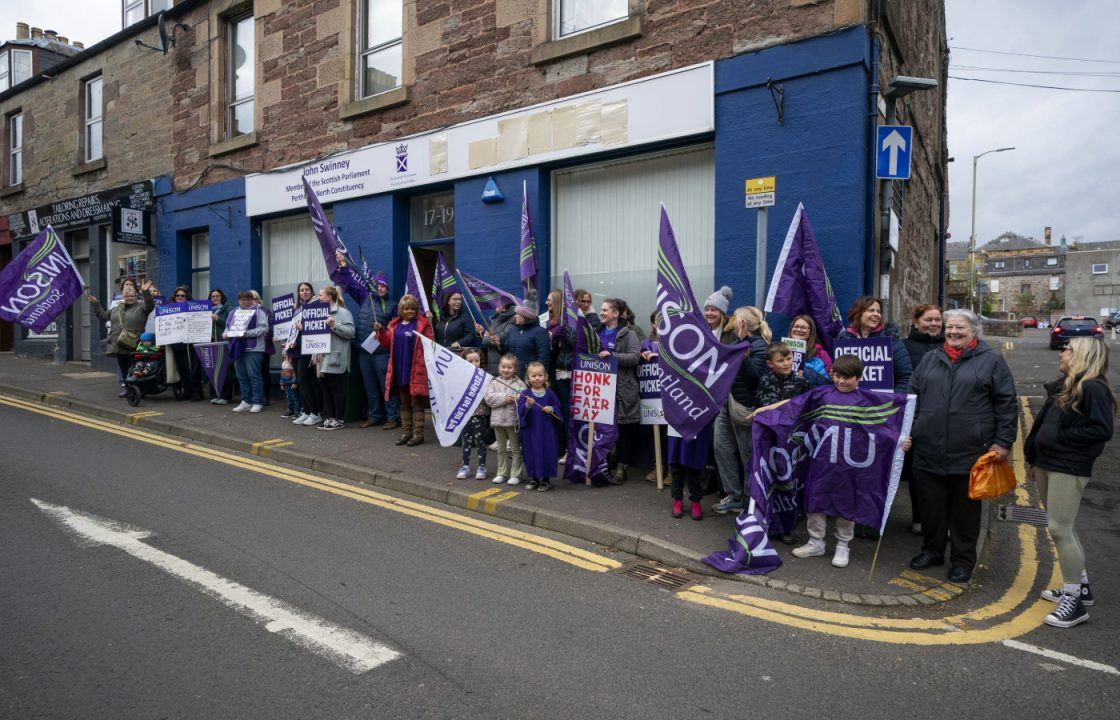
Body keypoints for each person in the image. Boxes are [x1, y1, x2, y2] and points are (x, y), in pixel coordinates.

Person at [908, 308, 1017, 583]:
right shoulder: (931, 359)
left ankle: (963, 560)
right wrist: (907, 431)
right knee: (930, 507)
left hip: (970, 450)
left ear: (973, 332)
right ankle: (932, 551)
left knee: (964, 512)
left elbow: (1006, 404)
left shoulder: (991, 361)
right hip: (928, 447)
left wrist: (1003, 442)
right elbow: (912, 396)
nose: (953, 332)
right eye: (950, 328)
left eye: (960, 328)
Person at [789, 355, 913, 567]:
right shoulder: (822, 394)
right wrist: (765, 412)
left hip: (851, 465)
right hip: (822, 462)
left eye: (847, 377)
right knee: (816, 500)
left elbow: (885, 429)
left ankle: (843, 545)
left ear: (859, 378)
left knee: (848, 503)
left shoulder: (868, 400)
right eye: (837, 376)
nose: (841, 382)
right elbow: (793, 407)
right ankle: (816, 542)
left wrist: (900, 442)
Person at [1025, 338, 1115, 628]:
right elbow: (1046, 425)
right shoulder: (1068, 384)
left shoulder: (1093, 388)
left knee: (1059, 529)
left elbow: (1101, 429)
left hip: (1068, 465)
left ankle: (1074, 603)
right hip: (1049, 463)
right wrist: (1035, 457)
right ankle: (1081, 586)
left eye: (1067, 349)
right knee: (1064, 527)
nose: (1061, 352)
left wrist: (1060, 441)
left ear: (1081, 356)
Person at [712, 304, 770, 515]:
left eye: (735, 320)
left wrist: (743, 359)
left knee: (747, 456)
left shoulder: (760, 346)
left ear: (743, 323)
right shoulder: (737, 343)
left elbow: (756, 376)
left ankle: (748, 500)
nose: (732, 324)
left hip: (744, 407)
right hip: (727, 404)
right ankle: (733, 495)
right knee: (722, 448)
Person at [334, 251, 401, 430]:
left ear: (387, 288)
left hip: (382, 353)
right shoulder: (365, 297)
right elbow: (350, 284)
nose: (379, 288)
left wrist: (384, 330)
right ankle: (375, 415)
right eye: (377, 286)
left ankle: (393, 417)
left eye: (383, 286)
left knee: (386, 386)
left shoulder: (394, 306)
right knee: (369, 386)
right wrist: (342, 265)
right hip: (363, 352)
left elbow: (396, 328)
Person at [901, 303, 944, 534]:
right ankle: (919, 518)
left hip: (946, 418)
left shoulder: (951, 345)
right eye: (929, 320)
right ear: (916, 322)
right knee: (918, 473)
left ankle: (942, 522)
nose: (934, 324)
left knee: (943, 473)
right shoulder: (904, 347)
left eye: (938, 319)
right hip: (917, 417)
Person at [375, 294, 435, 446]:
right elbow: (387, 342)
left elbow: (431, 344)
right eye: (406, 308)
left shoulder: (422, 324)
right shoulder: (395, 325)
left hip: (416, 368)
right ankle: (407, 432)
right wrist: (381, 331)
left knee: (417, 402)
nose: (409, 311)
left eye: (412, 308)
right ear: (401, 310)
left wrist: (431, 323)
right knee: (403, 402)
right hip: (399, 368)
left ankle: (419, 434)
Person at [87, 278, 157, 397]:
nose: (129, 297)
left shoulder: (141, 307)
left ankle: (139, 389)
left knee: (136, 367)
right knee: (124, 368)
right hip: (119, 343)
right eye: (127, 295)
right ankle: (129, 389)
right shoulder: (116, 309)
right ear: (123, 296)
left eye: (131, 295)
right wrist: (96, 304)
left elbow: (150, 305)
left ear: (135, 295)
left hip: (135, 343)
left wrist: (146, 292)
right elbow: (103, 316)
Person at [598, 297, 642, 485]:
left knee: (624, 429)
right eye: (601, 310)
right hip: (602, 388)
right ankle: (605, 463)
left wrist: (612, 356)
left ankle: (622, 467)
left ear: (616, 314)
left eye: (605, 310)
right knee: (605, 428)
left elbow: (634, 357)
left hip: (622, 388)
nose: (601, 313)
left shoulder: (628, 333)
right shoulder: (597, 332)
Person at [837, 296, 912, 392]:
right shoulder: (844, 340)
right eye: (871, 310)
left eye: (878, 311)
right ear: (858, 313)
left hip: (883, 403)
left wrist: (894, 401)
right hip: (851, 402)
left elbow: (905, 377)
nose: (876, 314)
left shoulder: (891, 341)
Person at [313, 285, 356, 430]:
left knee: (336, 389)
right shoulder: (318, 312)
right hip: (321, 357)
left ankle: (339, 419)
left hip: (336, 356)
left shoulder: (343, 313)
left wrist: (334, 325)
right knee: (325, 389)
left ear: (329, 297)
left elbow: (351, 333)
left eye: (320, 295)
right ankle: (331, 417)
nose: (318, 298)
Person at [517, 361, 564, 492]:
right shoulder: (525, 394)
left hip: (546, 431)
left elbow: (558, 407)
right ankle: (534, 479)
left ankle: (546, 480)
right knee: (532, 452)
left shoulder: (549, 393)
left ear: (545, 376)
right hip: (531, 430)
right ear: (528, 379)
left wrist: (551, 408)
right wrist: (527, 405)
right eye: (533, 376)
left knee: (547, 452)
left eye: (540, 375)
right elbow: (520, 411)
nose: (537, 378)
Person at [224, 290, 269, 413]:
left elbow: (264, 329)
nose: (245, 302)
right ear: (239, 301)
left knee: (254, 376)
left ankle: (257, 401)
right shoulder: (233, 312)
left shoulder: (259, 312)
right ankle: (246, 401)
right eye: (242, 300)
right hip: (236, 347)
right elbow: (228, 327)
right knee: (241, 376)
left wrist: (246, 333)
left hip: (254, 348)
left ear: (252, 300)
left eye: (248, 299)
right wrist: (225, 334)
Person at [484, 354, 526, 486]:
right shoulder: (494, 382)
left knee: (514, 448)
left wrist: (515, 398)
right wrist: (504, 398)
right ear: (499, 368)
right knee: (500, 448)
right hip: (497, 419)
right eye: (503, 367)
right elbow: (488, 398)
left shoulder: (519, 383)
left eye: (509, 367)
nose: (506, 369)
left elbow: (523, 397)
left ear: (515, 369)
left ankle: (516, 474)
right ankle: (502, 473)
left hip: (512, 420)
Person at [479, 303, 549, 380]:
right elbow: (508, 350)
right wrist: (499, 344)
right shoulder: (514, 330)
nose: (515, 316)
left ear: (524, 317)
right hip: (513, 375)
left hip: (530, 376)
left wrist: (539, 375)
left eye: (517, 314)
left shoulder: (540, 332)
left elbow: (543, 357)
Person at [289, 282, 324, 426]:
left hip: (307, 349)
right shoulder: (297, 309)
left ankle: (315, 413)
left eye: (307, 290)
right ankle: (306, 411)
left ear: (311, 291)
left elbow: (319, 327)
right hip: (295, 349)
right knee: (300, 382)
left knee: (306, 382)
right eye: (301, 290)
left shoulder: (317, 306)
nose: (304, 292)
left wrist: (304, 328)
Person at [546, 289, 573, 454]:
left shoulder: (566, 322)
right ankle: (558, 444)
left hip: (563, 370)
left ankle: (567, 445)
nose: (546, 302)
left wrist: (558, 338)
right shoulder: (546, 321)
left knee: (565, 408)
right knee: (555, 408)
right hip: (551, 369)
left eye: (549, 300)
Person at [456, 349, 490, 480]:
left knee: (480, 441)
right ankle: (465, 466)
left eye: (477, 360)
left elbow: (487, 396)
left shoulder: (484, 376)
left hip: (479, 413)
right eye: (470, 361)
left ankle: (482, 466)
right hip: (465, 414)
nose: (474, 363)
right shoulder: (459, 377)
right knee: (466, 441)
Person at [166, 285, 204, 401]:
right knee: (182, 369)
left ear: (187, 297)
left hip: (191, 342)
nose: (180, 297)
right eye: (178, 295)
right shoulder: (169, 308)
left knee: (194, 368)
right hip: (177, 343)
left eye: (183, 295)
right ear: (175, 297)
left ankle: (197, 392)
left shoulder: (193, 307)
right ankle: (187, 391)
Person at [756, 342, 813, 407]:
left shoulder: (802, 382)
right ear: (770, 364)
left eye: (789, 359)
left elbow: (808, 407)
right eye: (780, 361)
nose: (786, 363)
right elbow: (759, 406)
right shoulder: (765, 381)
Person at [788, 314, 832, 387]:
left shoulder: (821, 354)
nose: (799, 330)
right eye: (796, 326)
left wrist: (805, 373)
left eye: (803, 327)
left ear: (810, 331)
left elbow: (828, 382)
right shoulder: (780, 350)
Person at [207, 288, 234, 404]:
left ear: (221, 297)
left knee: (226, 369)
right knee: (212, 368)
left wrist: (219, 319)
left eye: (217, 296)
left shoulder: (227, 308)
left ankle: (226, 396)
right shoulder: (206, 310)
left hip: (224, 342)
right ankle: (215, 395)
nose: (215, 298)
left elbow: (232, 323)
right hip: (211, 341)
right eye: (213, 296)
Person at [483, 301, 517, 377]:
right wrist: (482, 332)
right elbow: (486, 340)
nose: (494, 305)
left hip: (503, 363)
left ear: (503, 306)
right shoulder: (496, 318)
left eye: (496, 303)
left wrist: (487, 337)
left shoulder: (513, 319)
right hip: (492, 361)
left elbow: (500, 338)